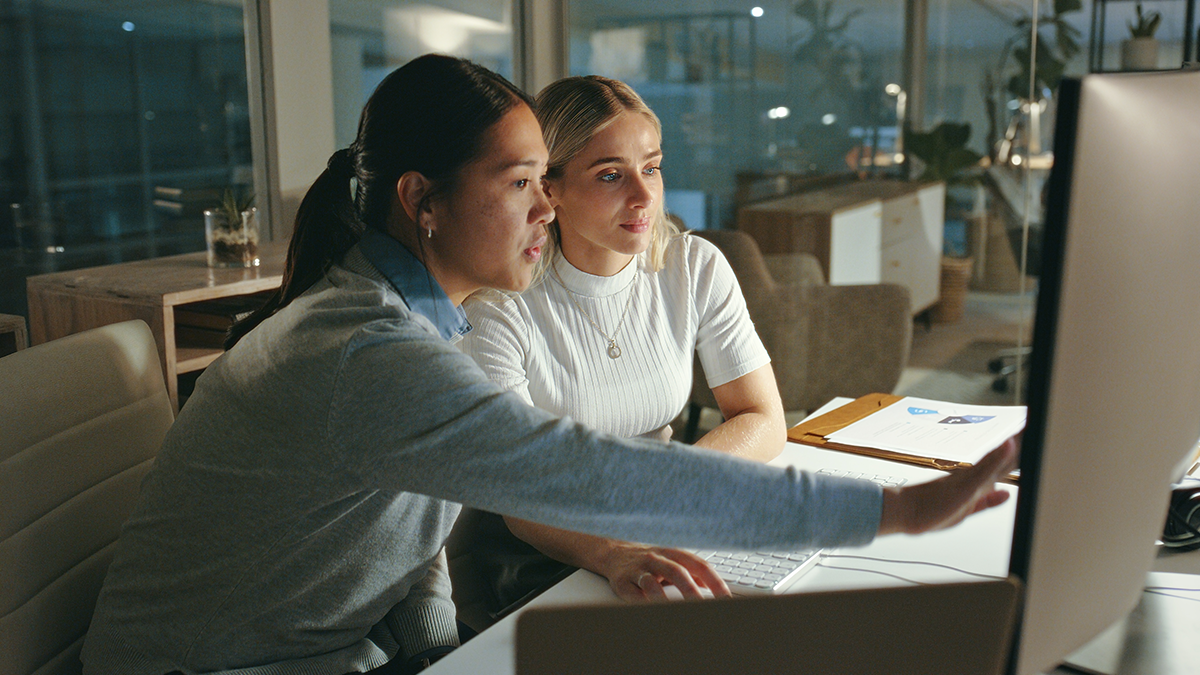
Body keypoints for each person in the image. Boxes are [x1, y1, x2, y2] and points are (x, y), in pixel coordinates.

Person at [81, 55, 1016, 675]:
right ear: (424, 200)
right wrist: (888, 510)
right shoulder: (368, 349)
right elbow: (589, 475)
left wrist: (444, 660)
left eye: (543, 182)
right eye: (522, 183)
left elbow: (415, 556)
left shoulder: (419, 322)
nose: (545, 210)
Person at [456, 75, 786, 613]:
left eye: (651, 168)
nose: (644, 196)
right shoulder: (499, 307)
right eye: (611, 175)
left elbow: (763, 418)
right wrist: (616, 552)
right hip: (536, 557)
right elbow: (520, 500)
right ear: (549, 187)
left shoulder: (692, 265)